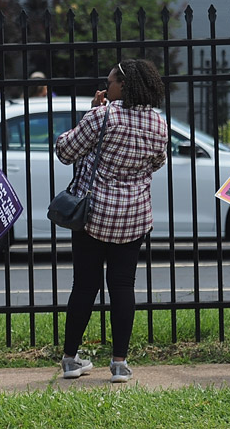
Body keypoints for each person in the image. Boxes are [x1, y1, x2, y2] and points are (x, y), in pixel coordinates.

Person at [56, 59, 169, 384]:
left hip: (95, 214)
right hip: (133, 215)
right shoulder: (158, 124)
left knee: (85, 285)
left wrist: (90, 114)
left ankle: (70, 359)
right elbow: (157, 162)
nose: (107, 88)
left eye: (111, 82)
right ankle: (119, 363)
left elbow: (65, 151)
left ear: (125, 85)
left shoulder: (102, 115)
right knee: (122, 286)